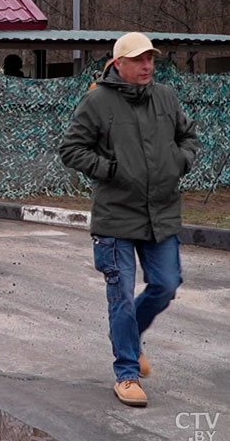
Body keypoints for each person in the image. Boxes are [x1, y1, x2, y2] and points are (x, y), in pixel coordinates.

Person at [60, 32, 198, 408]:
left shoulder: (166, 97)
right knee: (120, 298)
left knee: (167, 284)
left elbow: (189, 138)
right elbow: (71, 149)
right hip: (116, 216)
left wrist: (178, 162)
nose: (147, 66)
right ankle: (127, 373)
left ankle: (128, 338)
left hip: (161, 213)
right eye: (139, 60)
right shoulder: (97, 101)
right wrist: (111, 169)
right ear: (119, 64)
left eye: (150, 59)